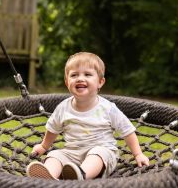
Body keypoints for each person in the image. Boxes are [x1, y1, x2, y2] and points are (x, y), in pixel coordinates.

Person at [26, 52, 149, 180]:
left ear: (100, 82)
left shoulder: (107, 108)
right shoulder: (63, 108)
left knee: (97, 154)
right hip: (72, 154)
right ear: (67, 82)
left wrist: (138, 154)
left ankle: (82, 174)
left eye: (87, 74)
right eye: (74, 75)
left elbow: (127, 131)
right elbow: (53, 128)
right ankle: (49, 176)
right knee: (55, 155)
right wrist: (44, 146)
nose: (80, 78)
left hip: (103, 152)